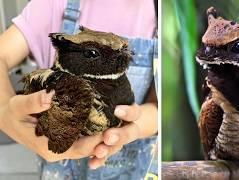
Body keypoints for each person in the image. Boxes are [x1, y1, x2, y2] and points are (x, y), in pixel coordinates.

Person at [0, 0, 158, 179]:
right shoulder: (53, 4)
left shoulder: (163, 13)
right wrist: (4, 111)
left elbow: (158, 106)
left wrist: (134, 126)